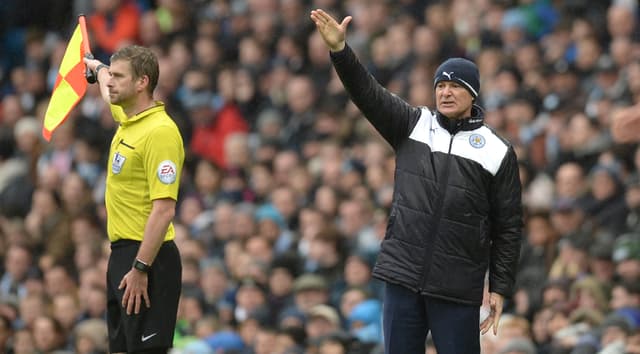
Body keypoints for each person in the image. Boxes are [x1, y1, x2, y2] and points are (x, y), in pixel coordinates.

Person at [310, 9, 523, 354]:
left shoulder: (498, 151)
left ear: (473, 94)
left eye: (455, 86)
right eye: (441, 85)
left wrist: (499, 286)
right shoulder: (414, 125)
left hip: (457, 285)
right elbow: (367, 92)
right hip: (402, 277)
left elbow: (508, 225)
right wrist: (341, 52)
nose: (446, 93)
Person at [84, 45, 184, 353]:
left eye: (118, 76)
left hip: (149, 260)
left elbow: (164, 210)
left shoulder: (160, 132)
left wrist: (141, 268)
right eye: (111, 75)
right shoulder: (128, 117)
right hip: (121, 256)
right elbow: (104, 90)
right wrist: (97, 67)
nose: (110, 82)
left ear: (142, 82)